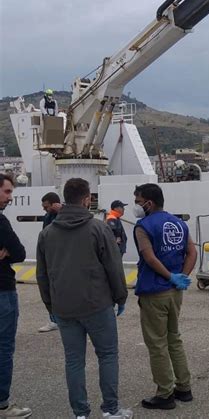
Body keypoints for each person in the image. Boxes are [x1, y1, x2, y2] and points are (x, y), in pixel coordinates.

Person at [36, 178, 131, 419]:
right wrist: (120, 297)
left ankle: (80, 413)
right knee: (107, 355)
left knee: (74, 361)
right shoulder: (98, 228)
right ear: (87, 198)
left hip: (65, 308)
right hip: (98, 305)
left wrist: (51, 306)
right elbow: (113, 267)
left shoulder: (47, 234)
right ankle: (110, 410)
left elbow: (42, 275)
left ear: (65, 198)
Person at [133, 183, 197, 410]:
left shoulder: (144, 226)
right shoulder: (179, 223)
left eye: (138, 201)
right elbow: (192, 252)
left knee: (157, 344)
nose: (137, 206)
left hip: (154, 291)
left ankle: (165, 393)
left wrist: (169, 276)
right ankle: (184, 387)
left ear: (149, 203)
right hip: (174, 292)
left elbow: (149, 258)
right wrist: (181, 277)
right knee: (174, 338)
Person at [0, 174, 32, 419]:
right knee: (3, 348)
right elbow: (20, 253)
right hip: (3, 290)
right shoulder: (1, 222)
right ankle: (2, 404)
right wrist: (8, 253)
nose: (11, 197)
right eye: (8, 192)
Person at [37, 192, 62, 333]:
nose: (44, 209)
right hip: (49, 258)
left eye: (46, 207)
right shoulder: (48, 217)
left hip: (62, 259)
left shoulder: (64, 215)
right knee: (49, 290)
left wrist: (63, 211)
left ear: (55, 204)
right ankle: (54, 320)